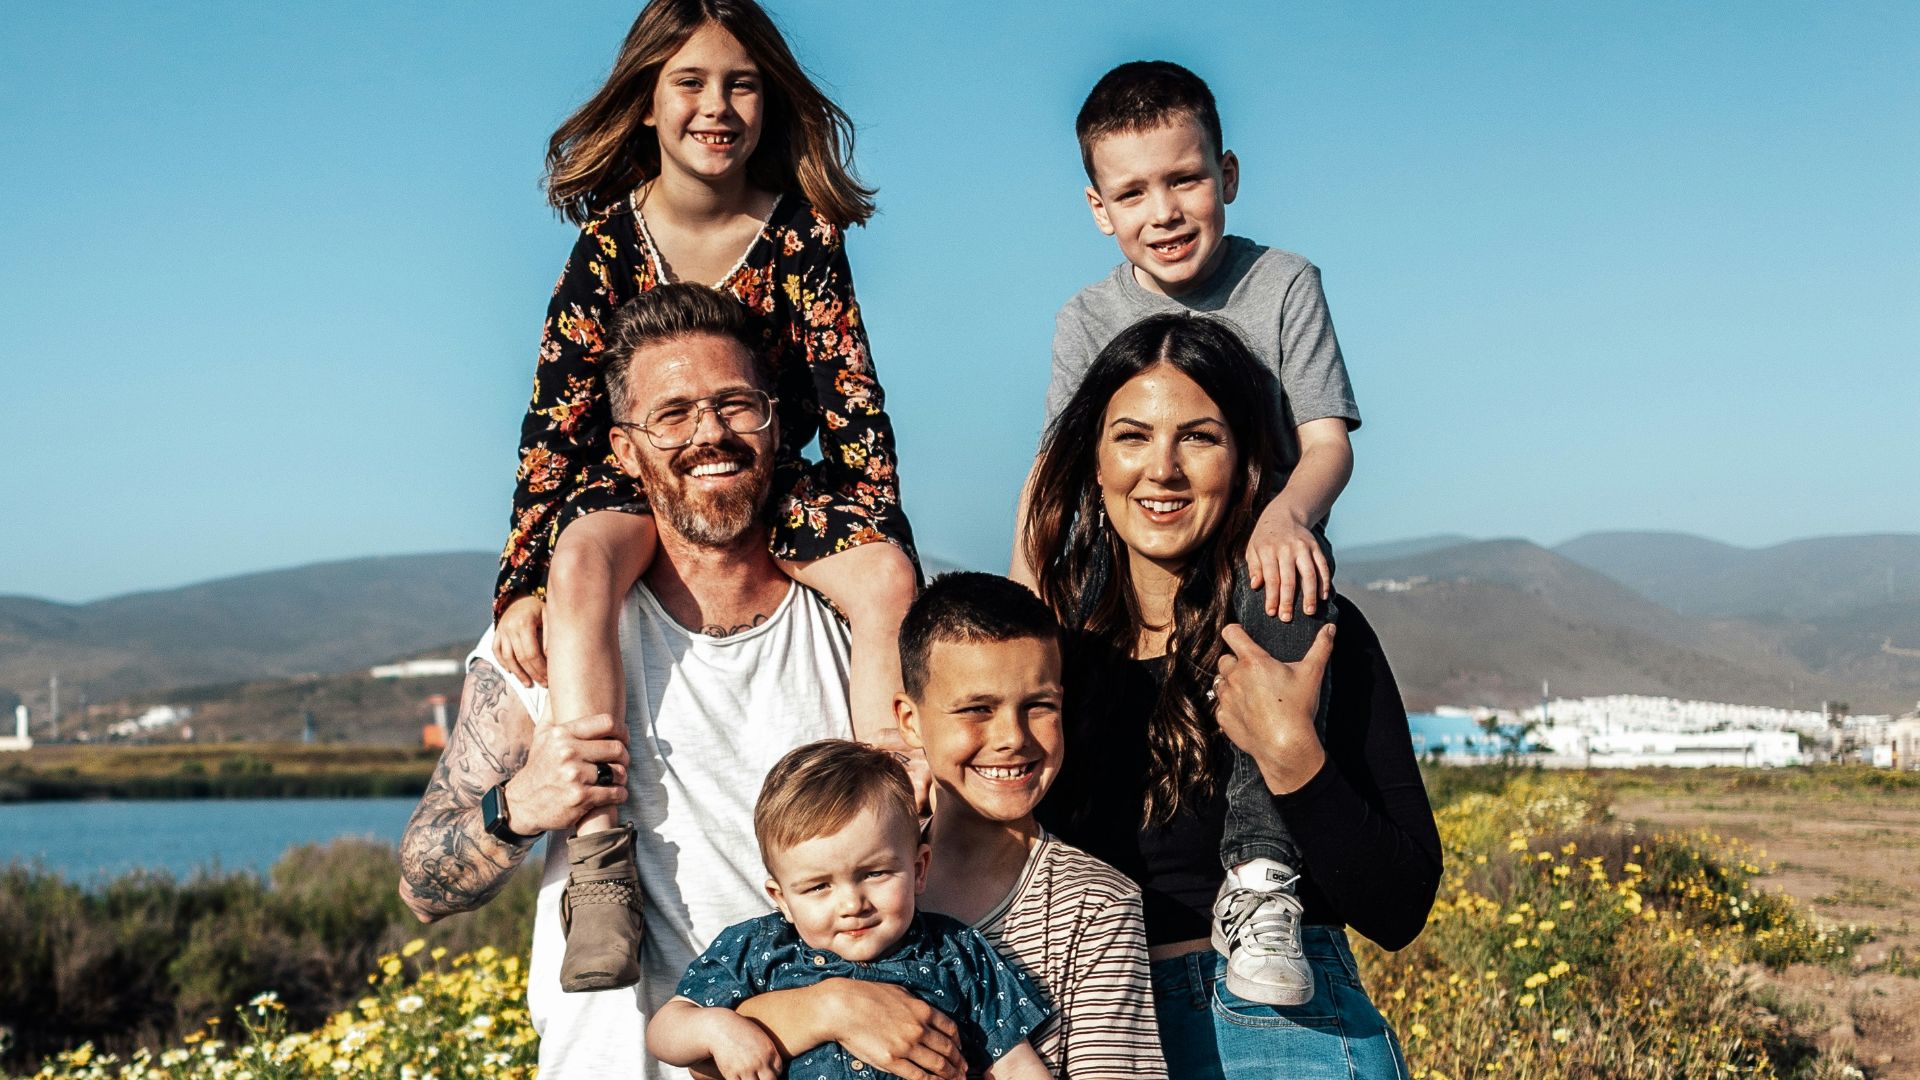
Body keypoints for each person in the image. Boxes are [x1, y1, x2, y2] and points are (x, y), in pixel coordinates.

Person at [399, 285, 953, 1080]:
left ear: (775, 423)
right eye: (673, 415)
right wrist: (521, 805)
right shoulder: (545, 642)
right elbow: (422, 884)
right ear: (625, 450)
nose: (711, 434)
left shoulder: (859, 628)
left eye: (736, 405)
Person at [491, 0, 920, 991]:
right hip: (635, 479)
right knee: (584, 557)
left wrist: (874, 530)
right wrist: (519, 583)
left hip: (773, 476)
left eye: (741, 83)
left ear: (770, 99)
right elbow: (553, 418)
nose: (716, 106)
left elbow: (848, 396)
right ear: (647, 101)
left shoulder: (804, 232)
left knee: (888, 572)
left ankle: (894, 810)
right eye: (690, 82)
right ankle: (600, 862)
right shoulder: (608, 241)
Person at [1009, 58, 1363, 1007]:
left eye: (1185, 179)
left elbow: (1326, 443)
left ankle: (1259, 878)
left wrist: (1288, 510)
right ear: (1098, 208)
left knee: (1286, 582)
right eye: (1133, 191)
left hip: (1258, 560)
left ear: (1228, 175)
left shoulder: (1284, 283)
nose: (1162, 210)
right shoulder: (1088, 317)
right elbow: (1054, 472)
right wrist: (1020, 603)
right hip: (1133, 571)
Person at [1024, 314, 1442, 1075]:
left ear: (1246, 459)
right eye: (1132, 436)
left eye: (1199, 437)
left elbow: (1400, 905)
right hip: (1099, 1036)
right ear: (1092, 459)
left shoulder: (1305, 631)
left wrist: (1292, 755)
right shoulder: (1048, 660)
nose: (1163, 470)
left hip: (1289, 1030)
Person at [896, 572, 1168, 1077]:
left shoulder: (1098, 908)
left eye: (1038, 707)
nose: (1011, 739)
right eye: (977, 709)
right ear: (910, 720)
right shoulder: (854, 876)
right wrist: (834, 1009)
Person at [649, 740, 1053, 1080]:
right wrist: (718, 1028)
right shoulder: (758, 949)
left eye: (875, 873)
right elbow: (667, 1029)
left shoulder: (957, 952)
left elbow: (1017, 1065)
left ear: (918, 869)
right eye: (818, 886)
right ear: (781, 899)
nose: (852, 904)